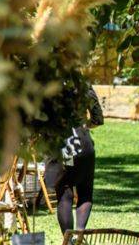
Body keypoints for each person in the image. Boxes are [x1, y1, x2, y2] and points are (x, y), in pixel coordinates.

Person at [44, 85, 104, 234]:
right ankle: (79, 236)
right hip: (84, 142)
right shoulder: (83, 85)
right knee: (85, 193)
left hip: (64, 144)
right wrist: (83, 127)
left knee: (65, 195)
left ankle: (69, 244)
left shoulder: (50, 85)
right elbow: (98, 119)